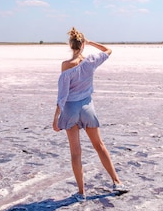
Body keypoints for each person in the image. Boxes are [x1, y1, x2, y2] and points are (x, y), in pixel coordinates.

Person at [52, 27, 126, 201]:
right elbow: (108, 51)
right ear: (83, 44)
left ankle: (81, 193)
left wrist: (56, 118)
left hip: (70, 109)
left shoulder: (66, 65)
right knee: (99, 145)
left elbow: (62, 96)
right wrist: (91, 43)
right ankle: (117, 182)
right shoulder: (91, 60)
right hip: (87, 108)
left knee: (76, 152)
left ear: (71, 45)